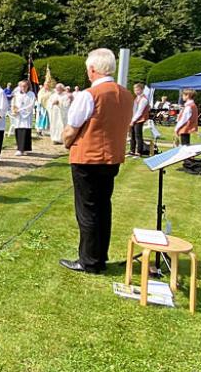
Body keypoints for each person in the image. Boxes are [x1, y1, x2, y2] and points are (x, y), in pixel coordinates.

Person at [60, 48, 133, 274]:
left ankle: (89, 260)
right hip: (111, 158)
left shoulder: (90, 95)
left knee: (87, 210)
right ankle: (99, 255)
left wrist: (66, 142)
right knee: (103, 207)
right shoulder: (126, 94)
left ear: (92, 69)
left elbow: (72, 128)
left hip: (88, 158)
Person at [12, 80, 35, 156]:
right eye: (21, 86)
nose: (23, 87)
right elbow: (14, 103)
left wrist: (21, 110)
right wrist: (14, 109)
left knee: (25, 132)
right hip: (18, 116)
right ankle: (19, 148)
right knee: (18, 131)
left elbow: (31, 105)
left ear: (28, 86)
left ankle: (25, 149)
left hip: (26, 116)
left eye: (25, 86)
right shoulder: (17, 94)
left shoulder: (31, 94)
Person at [128, 83, 150, 156]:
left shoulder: (143, 99)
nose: (136, 91)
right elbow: (134, 110)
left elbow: (140, 111)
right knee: (132, 135)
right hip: (134, 118)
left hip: (140, 119)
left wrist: (133, 120)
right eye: (135, 90)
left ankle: (139, 151)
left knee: (138, 135)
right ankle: (132, 150)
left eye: (138, 90)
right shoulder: (136, 98)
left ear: (142, 90)